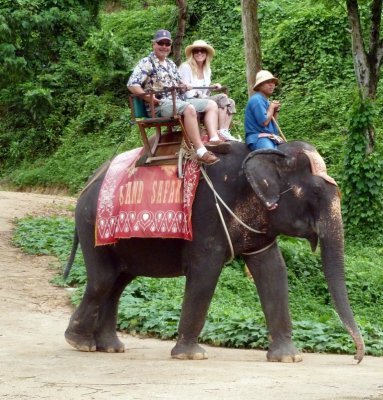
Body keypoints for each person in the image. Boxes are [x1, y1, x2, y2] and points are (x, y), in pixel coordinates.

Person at [127, 30, 227, 165]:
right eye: (160, 43)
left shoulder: (171, 64)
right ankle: (200, 151)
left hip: (177, 101)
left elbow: (179, 83)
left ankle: (214, 139)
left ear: (170, 46)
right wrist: (149, 99)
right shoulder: (147, 62)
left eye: (167, 43)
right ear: (153, 45)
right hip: (159, 104)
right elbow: (132, 85)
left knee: (211, 104)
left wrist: (184, 85)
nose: (164, 46)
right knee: (189, 108)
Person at [178, 40, 238, 141]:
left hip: (202, 98)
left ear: (206, 54)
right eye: (196, 51)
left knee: (230, 102)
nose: (199, 53)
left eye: (202, 51)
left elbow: (205, 91)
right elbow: (184, 90)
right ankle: (220, 132)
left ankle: (224, 130)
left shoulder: (207, 69)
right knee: (222, 97)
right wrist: (194, 90)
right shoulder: (186, 67)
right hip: (188, 99)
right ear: (192, 53)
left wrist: (213, 86)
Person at [244, 70, 284, 151]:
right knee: (272, 156)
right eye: (267, 82)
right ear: (259, 85)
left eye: (273, 82)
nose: (271, 84)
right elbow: (264, 122)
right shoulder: (257, 99)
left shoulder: (266, 101)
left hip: (270, 137)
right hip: (259, 138)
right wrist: (272, 107)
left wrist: (275, 112)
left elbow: (274, 126)